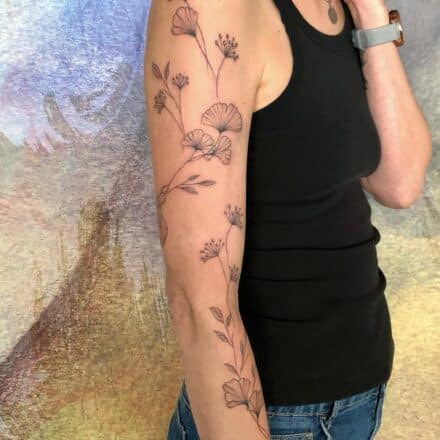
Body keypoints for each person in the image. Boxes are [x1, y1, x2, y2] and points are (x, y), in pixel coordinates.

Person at [144, 0, 432, 438]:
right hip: (274, 416)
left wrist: (371, 15)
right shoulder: (209, 10)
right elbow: (197, 298)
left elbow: (400, 181)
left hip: (359, 400)